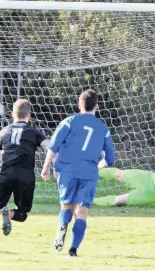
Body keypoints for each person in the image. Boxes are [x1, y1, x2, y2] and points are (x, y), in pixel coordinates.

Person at [41, 90, 116, 257]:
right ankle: (73, 250)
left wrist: (46, 167)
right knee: (81, 212)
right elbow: (110, 159)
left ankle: (62, 226)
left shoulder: (69, 121)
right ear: (96, 106)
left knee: (66, 206)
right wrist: (96, 167)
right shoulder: (102, 128)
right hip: (88, 172)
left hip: (67, 169)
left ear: (79, 105)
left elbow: (53, 147)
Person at [0, 99, 49, 252]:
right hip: (26, 176)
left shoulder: (3, 131)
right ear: (29, 116)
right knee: (23, 213)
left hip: (6, 174)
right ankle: (11, 213)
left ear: (13, 114)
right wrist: (48, 167)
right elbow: (49, 148)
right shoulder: (34, 133)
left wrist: (3, 170)